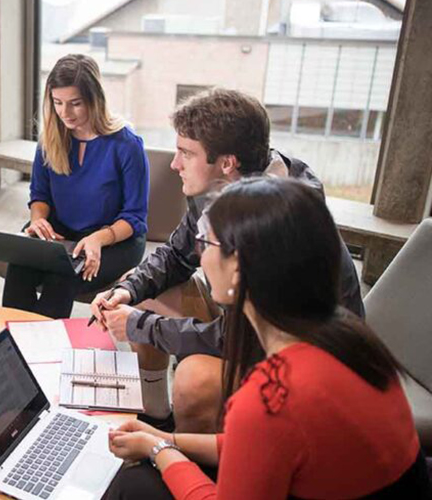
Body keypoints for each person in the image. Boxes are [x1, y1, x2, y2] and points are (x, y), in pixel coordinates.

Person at [103, 177, 428, 499]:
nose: (200, 256)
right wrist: (166, 439)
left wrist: (159, 449)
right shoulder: (346, 335)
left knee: (134, 485)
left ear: (239, 269)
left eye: (207, 243)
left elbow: (260, 431)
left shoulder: (269, 397)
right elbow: (258, 443)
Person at [90, 88, 364, 433]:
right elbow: (176, 255)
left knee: (194, 380)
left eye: (185, 154)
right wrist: (127, 291)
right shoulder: (218, 187)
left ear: (227, 163)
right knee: (142, 289)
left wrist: (137, 325)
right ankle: (156, 416)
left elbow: (237, 336)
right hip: (249, 325)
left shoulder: (277, 224)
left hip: (302, 361)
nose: (174, 165)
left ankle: (194, 461)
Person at [1, 54, 149, 319]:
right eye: (57, 103)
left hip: (115, 239)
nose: (64, 113)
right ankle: (10, 345)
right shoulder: (51, 138)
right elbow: (40, 195)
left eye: (75, 103)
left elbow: (135, 218)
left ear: (95, 99)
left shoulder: (126, 145)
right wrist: (38, 220)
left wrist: (97, 239)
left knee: (62, 274)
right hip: (63, 232)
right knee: (19, 267)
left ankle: (48, 352)